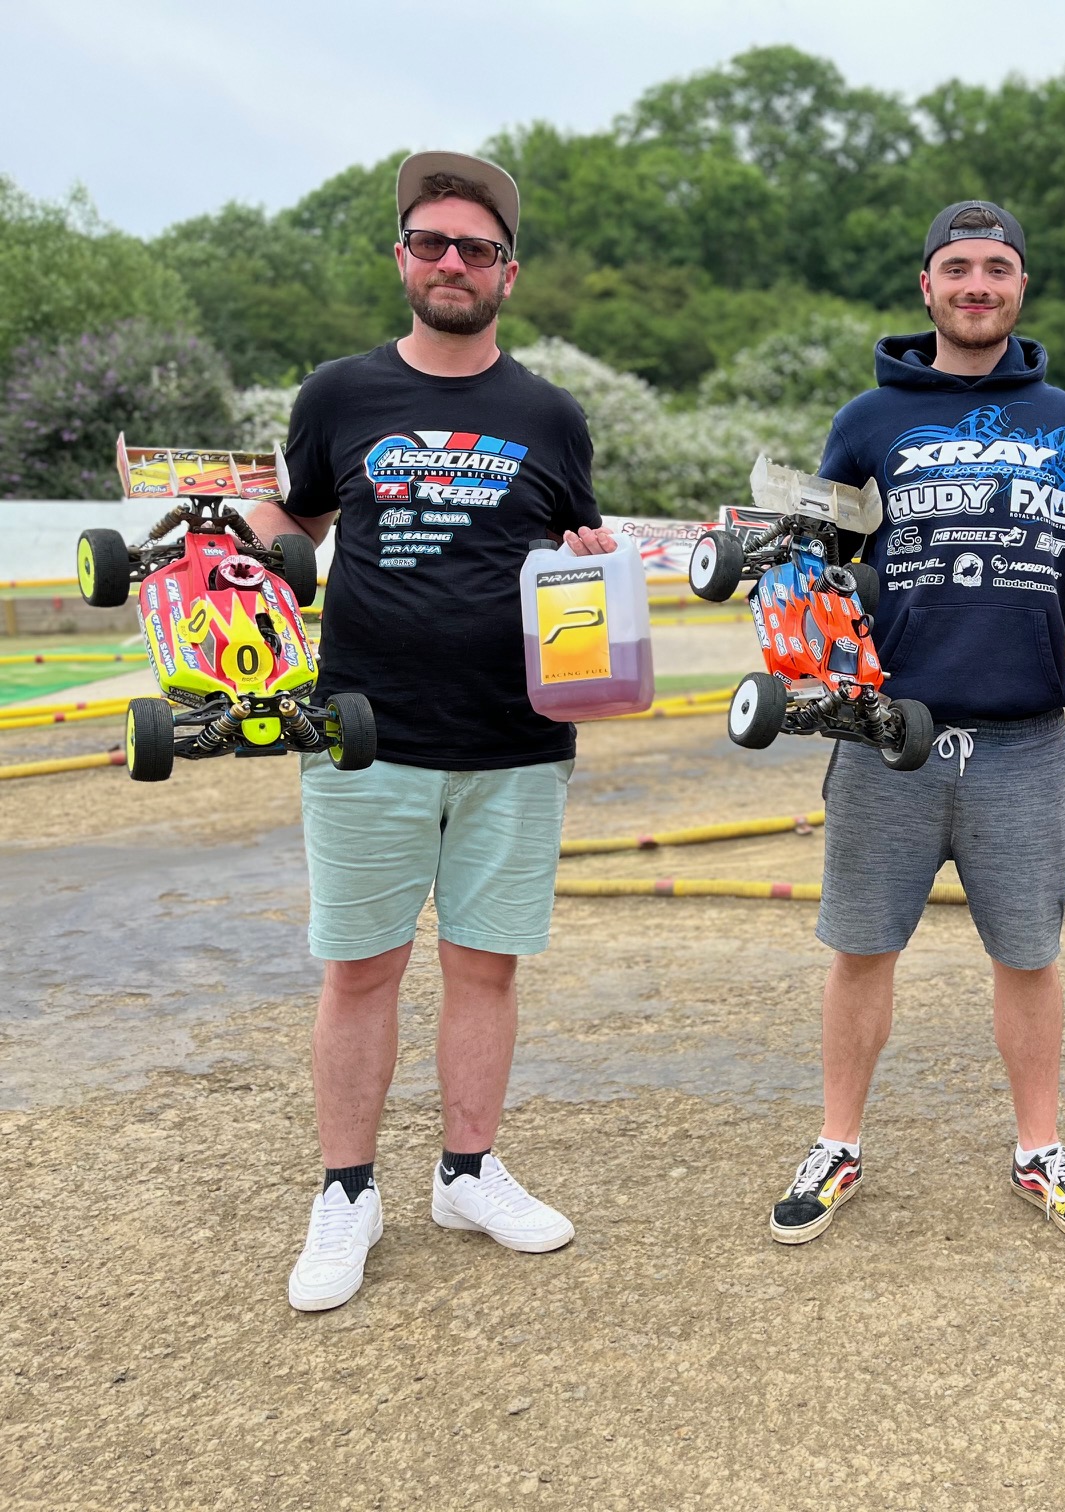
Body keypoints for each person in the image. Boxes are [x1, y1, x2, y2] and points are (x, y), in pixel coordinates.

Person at [766, 200, 1065, 1249]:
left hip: (1025, 740)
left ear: (1021, 286)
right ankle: (837, 1143)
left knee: (1029, 958)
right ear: (928, 287)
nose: (978, 285)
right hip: (886, 738)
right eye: (958, 268)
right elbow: (813, 569)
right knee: (861, 949)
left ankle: (1040, 1149)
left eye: (997, 267)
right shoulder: (869, 420)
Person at [245, 152, 615, 1312]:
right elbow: (295, 519)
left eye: (476, 248)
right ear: (403, 257)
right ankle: (347, 1194)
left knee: (485, 967)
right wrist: (235, 525)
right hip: (363, 729)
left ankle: (466, 1173)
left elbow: (578, 550)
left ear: (509, 272)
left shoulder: (550, 415)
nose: (453, 262)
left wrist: (600, 563)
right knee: (361, 970)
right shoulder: (338, 395)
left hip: (517, 736)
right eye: (432, 242)